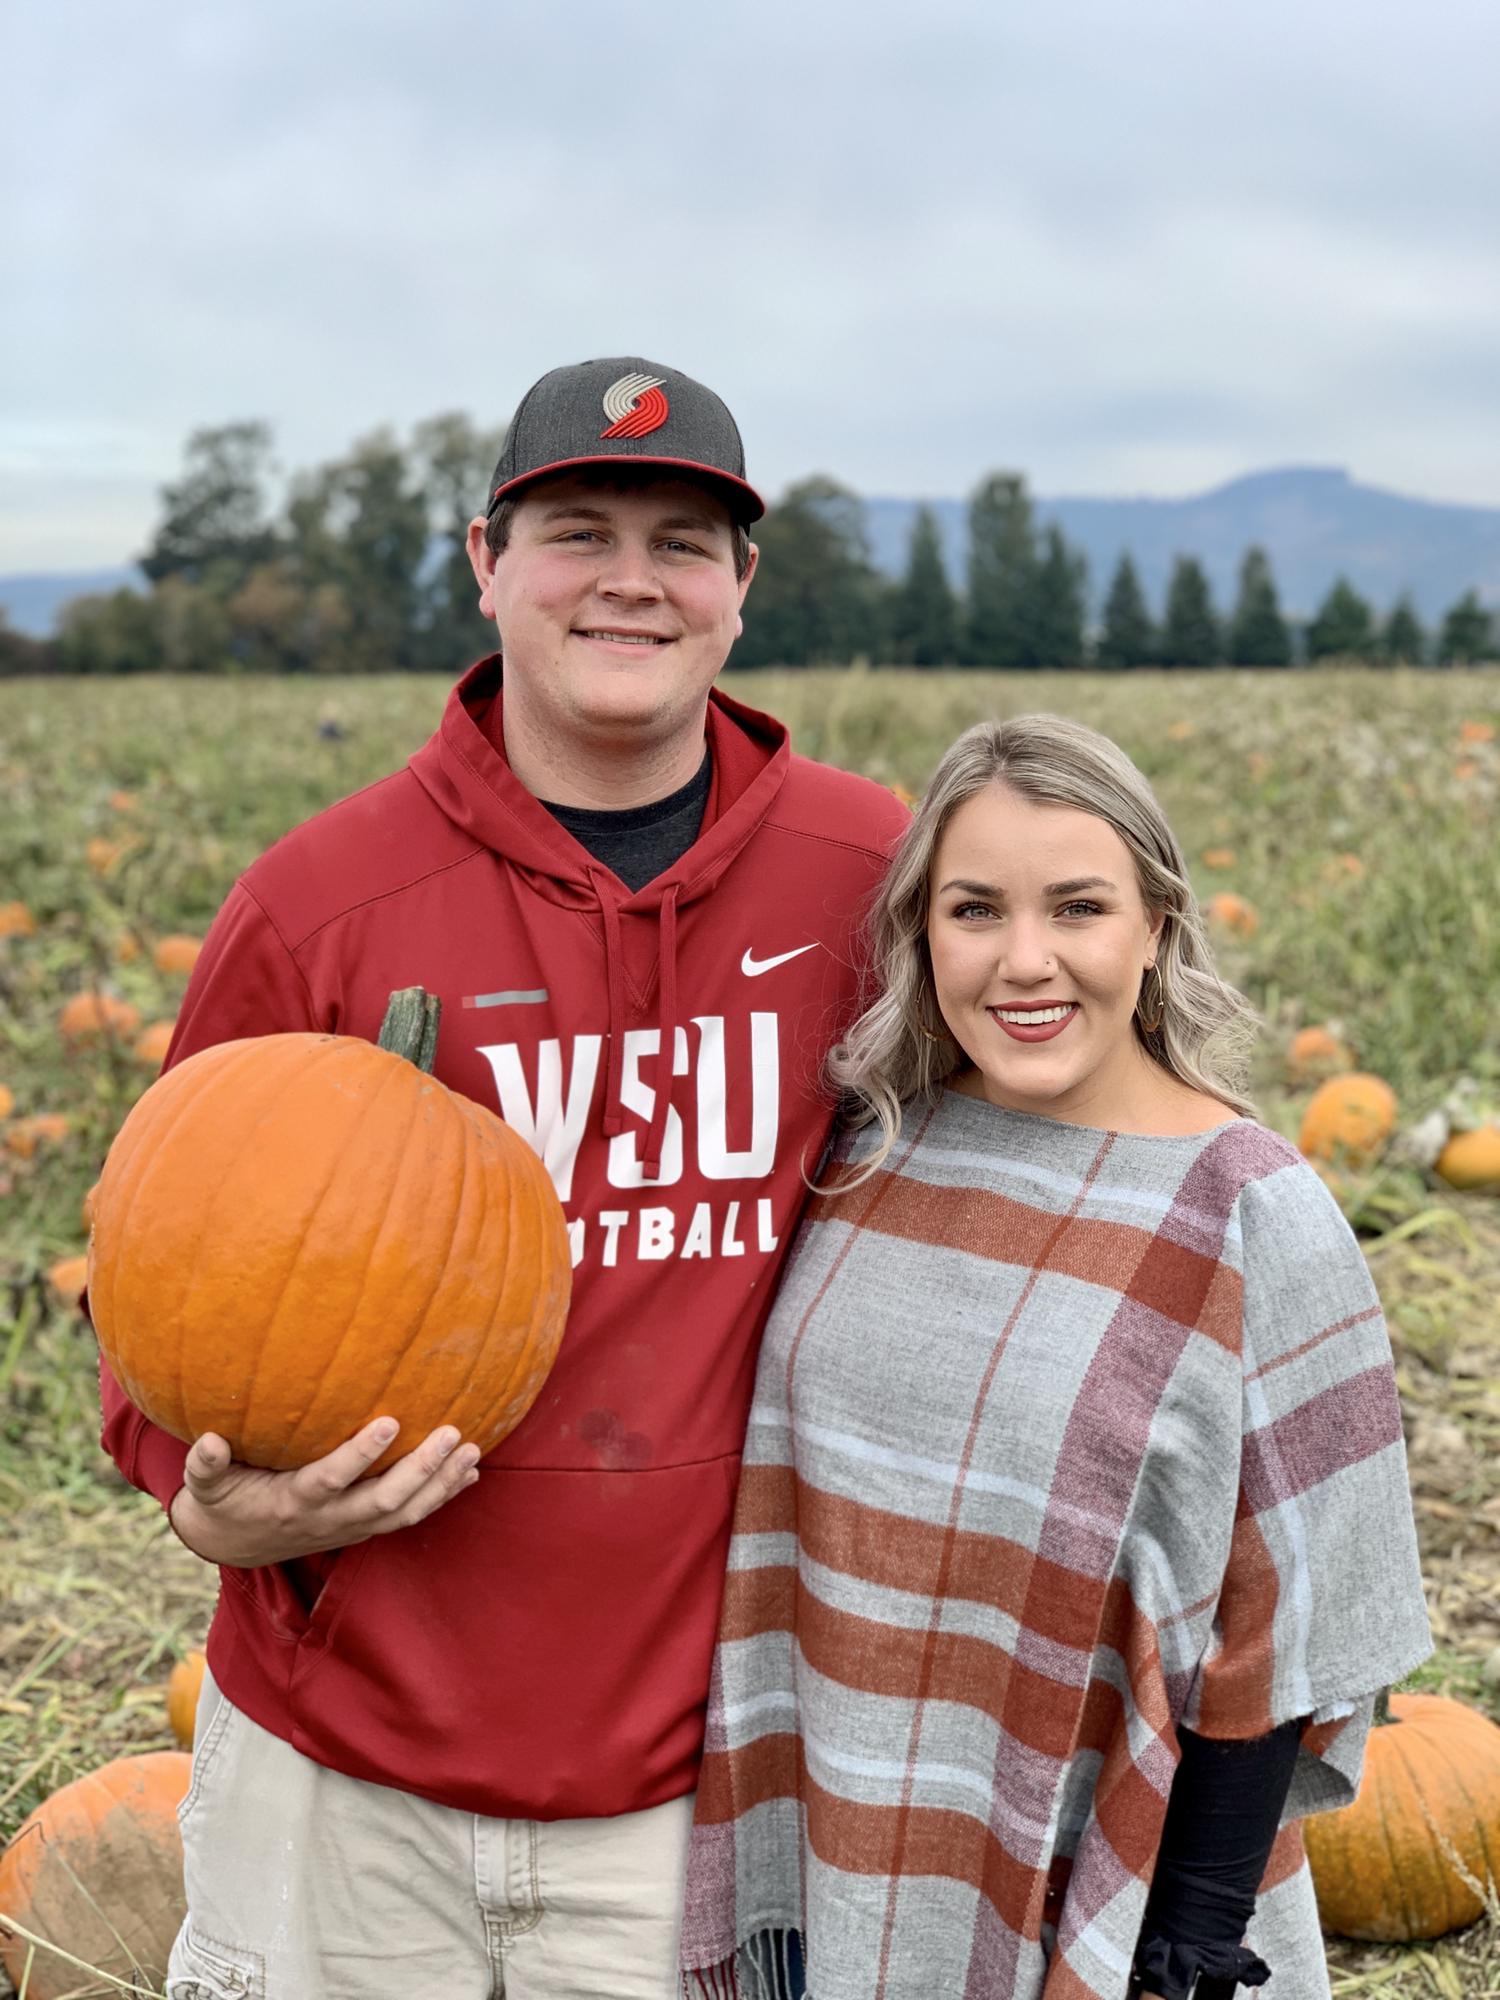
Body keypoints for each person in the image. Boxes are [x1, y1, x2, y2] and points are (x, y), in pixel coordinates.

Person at [96, 357, 912, 1998]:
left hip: (701, 1783)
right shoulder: (320, 903)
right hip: (337, 1770)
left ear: (743, 584)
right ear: (486, 561)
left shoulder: (871, 877)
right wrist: (202, 1494)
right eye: (578, 531)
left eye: (682, 542)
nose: (631, 580)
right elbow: (163, 1271)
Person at [679, 715, 1431, 2000]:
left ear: (1157, 926)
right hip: (824, 1859)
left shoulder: (1248, 1208)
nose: (1025, 960)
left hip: (1100, 1901)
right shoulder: (874, 1150)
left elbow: (1292, 1621)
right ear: (922, 932)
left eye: (1078, 906)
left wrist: (1188, 1935)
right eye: (976, 909)